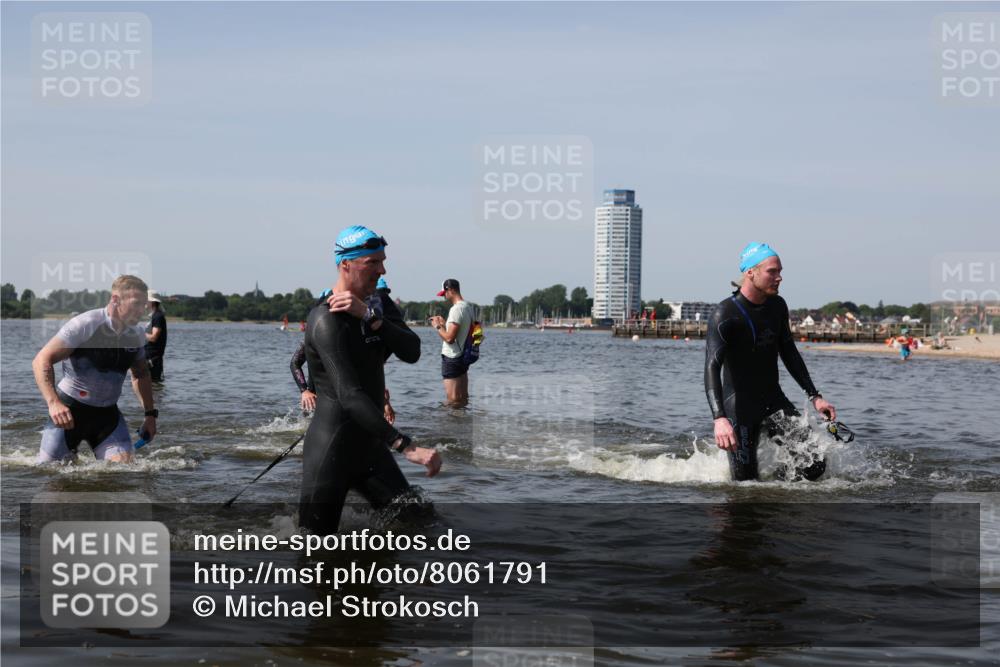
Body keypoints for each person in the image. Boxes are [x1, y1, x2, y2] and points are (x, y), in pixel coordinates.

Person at [299, 226, 441, 535]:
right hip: (332, 450)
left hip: (369, 449)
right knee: (314, 551)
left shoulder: (374, 309)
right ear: (346, 264)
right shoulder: (326, 319)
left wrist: (369, 317)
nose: (382, 269)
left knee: (421, 527)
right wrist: (405, 445)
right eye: (373, 262)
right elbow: (349, 395)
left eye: (383, 261)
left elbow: (412, 350)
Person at [704, 243, 837, 482]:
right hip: (739, 408)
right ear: (750, 273)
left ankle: (783, 500)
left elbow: (789, 353)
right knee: (745, 484)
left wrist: (815, 396)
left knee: (815, 464)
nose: (779, 277)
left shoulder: (777, 306)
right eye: (772, 271)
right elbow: (712, 367)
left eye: (780, 271)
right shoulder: (724, 315)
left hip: (774, 400)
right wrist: (719, 418)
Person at [32, 275, 158, 463]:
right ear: (116, 300)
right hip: (68, 413)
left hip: (107, 417)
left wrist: (149, 415)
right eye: (137, 304)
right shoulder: (85, 324)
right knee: (51, 474)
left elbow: (140, 374)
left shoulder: (137, 334)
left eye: (144, 304)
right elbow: (42, 360)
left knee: (124, 471)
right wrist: (53, 403)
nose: (143, 309)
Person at [430, 278, 473, 406]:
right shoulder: (468, 307)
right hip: (464, 356)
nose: (445, 297)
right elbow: (462, 331)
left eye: (444, 294)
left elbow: (449, 338)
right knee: (463, 397)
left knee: (453, 399)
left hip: (452, 357)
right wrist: (444, 324)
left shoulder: (456, 309)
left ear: (451, 290)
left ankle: (450, 424)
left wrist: (437, 326)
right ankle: (462, 424)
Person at [144, 291, 168, 381]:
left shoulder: (158, 316)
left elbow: (154, 337)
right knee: (154, 388)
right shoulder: (155, 315)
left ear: (152, 302)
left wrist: (139, 333)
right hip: (151, 358)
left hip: (153, 360)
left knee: (153, 387)